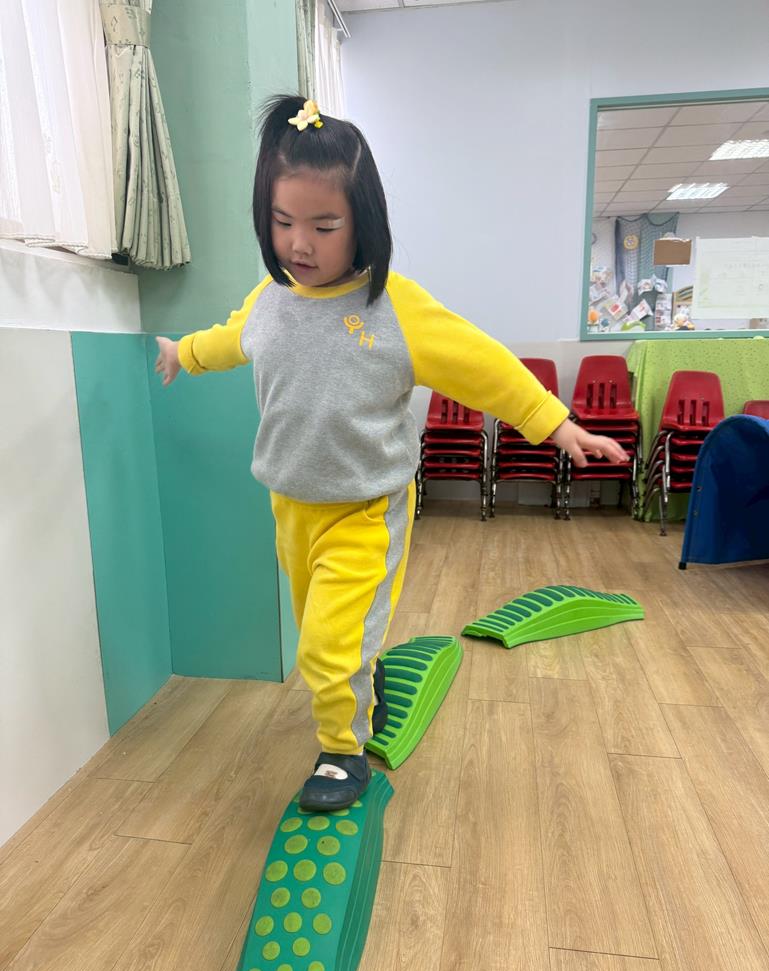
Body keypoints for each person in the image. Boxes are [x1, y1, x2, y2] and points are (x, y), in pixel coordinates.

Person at [155, 95, 627, 812]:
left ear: (363, 223)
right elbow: (229, 339)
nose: (299, 244)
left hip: (365, 510)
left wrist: (556, 423)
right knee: (326, 631)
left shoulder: (393, 308)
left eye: (323, 226)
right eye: (282, 222)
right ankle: (356, 678)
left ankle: (342, 753)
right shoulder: (269, 300)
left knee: (326, 648)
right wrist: (182, 353)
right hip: (290, 507)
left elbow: (483, 364)